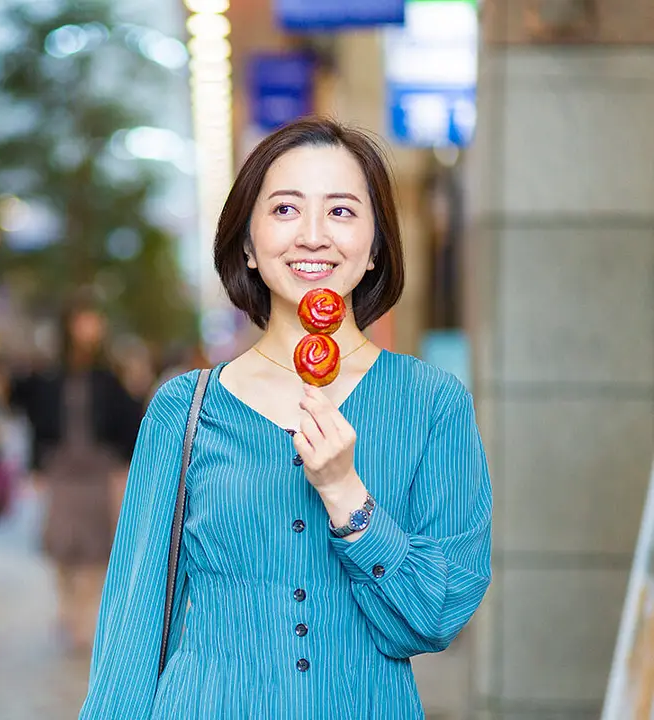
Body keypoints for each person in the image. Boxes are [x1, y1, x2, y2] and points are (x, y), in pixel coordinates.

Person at [79, 117, 492, 718]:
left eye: (343, 212)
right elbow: (133, 629)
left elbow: (434, 616)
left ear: (376, 248)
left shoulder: (432, 404)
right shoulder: (184, 411)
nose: (313, 236)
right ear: (248, 243)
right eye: (285, 210)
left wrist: (348, 498)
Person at [14, 300, 143, 653]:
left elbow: (129, 420)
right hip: (62, 468)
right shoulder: (52, 374)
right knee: (61, 544)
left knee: (97, 547)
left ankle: (84, 618)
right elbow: (36, 421)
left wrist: (124, 466)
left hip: (98, 469)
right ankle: (67, 607)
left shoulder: (111, 373)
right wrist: (36, 466)